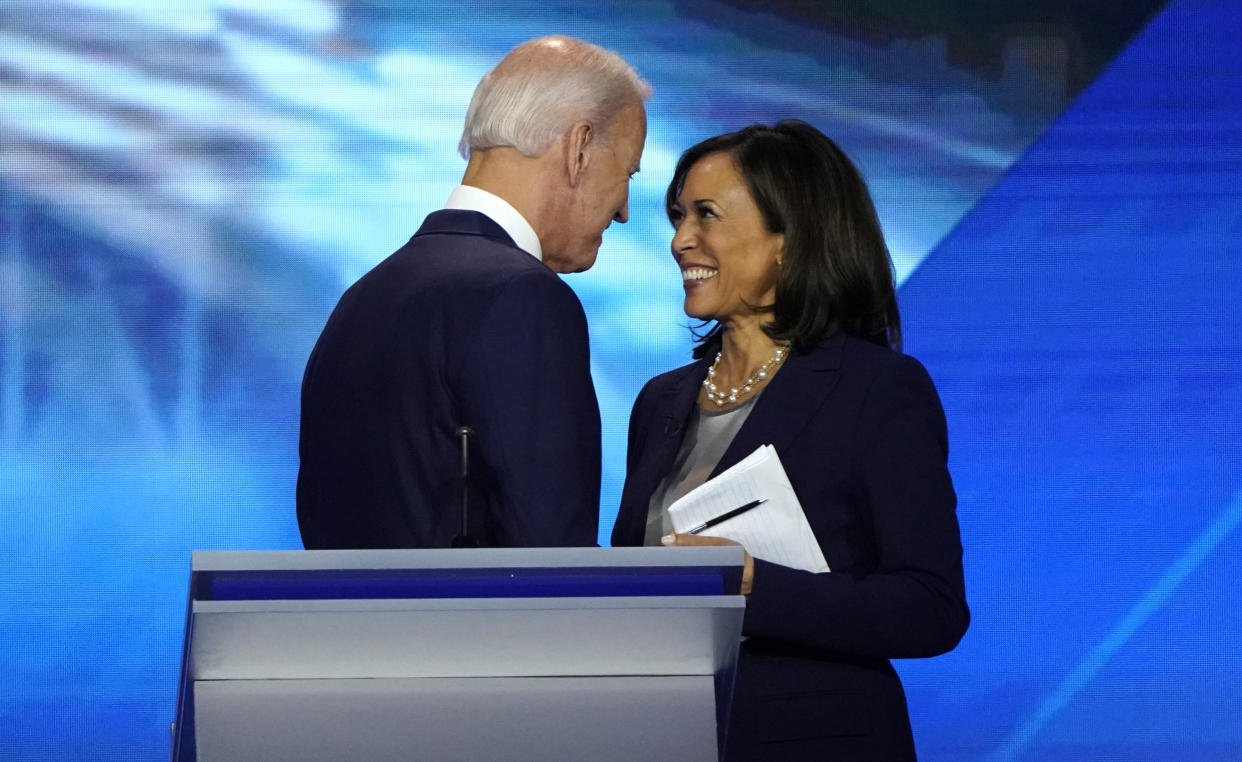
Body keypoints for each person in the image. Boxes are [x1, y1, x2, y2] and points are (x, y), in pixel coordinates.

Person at [612, 121, 969, 760]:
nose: (679, 241)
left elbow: (931, 607)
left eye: (706, 216)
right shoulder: (660, 400)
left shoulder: (877, 389)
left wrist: (751, 584)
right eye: (677, 217)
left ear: (788, 238)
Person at [298, 37, 650, 549]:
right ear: (578, 149)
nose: (622, 209)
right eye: (628, 173)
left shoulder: (365, 296)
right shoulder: (523, 298)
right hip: (480, 629)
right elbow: (553, 560)